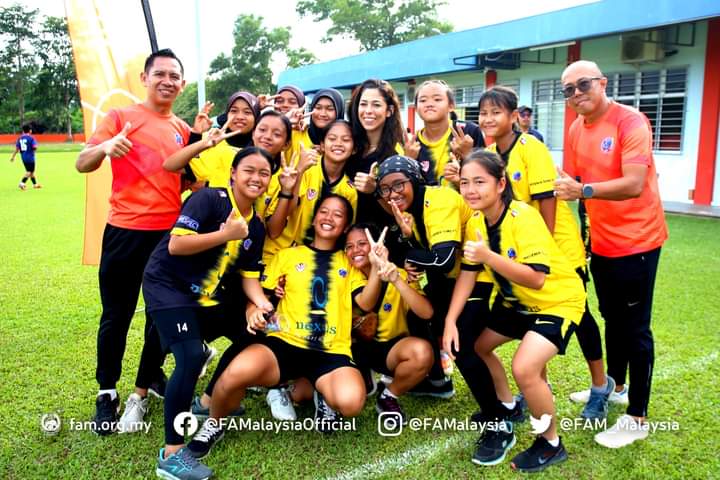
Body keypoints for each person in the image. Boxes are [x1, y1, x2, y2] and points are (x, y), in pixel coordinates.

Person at [185, 195, 384, 460]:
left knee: (350, 402)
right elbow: (260, 297)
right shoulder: (288, 255)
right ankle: (214, 423)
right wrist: (253, 310)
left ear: (345, 225)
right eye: (324, 211)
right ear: (314, 219)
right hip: (285, 344)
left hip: (330, 352)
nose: (328, 217)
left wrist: (379, 271)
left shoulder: (348, 262)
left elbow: (366, 302)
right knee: (233, 375)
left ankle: (319, 393)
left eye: (337, 215)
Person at [479, 85, 613, 420]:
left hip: (557, 248)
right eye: (483, 112)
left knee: (579, 317)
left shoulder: (531, 146)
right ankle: (541, 388)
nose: (488, 118)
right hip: (526, 249)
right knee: (534, 316)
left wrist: (543, 253)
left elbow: (547, 203)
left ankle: (600, 388)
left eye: (496, 112)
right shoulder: (491, 151)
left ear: (513, 116)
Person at [75, 48, 191, 436]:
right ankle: (107, 392)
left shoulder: (183, 128)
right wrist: (106, 148)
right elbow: (82, 162)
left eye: (174, 76)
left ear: (182, 84)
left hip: (167, 237)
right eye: (160, 74)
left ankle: (150, 377)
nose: (167, 81)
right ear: (145, 78)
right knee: (116, 315)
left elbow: (188, 177)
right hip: (125, 232)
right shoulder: (120, 117)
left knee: (161, 316)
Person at [554, 59, 668, 448]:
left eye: (582, 85)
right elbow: (574, 181)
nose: (576, 94)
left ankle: (637, 417)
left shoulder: (629, 121)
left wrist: (583, 192)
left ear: (601, 83)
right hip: (601, 242)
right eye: (567, 90)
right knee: (611, 318)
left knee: (635, 327)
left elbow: (634, 183)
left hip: (638, 241)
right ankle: (616, 386)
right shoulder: (574, 128)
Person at [145, 147, 273, 480]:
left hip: (205, 297)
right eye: (249, 170)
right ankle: (171, 455)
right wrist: (226, 234)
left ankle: (207, 400)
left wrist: (260, 305)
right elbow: (176, 245)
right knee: (188, 357)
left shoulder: (255, 227)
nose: (256, 178)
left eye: (264, 173)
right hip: (167, 287)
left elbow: (249, 277)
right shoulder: (209, 200)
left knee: (255, 333)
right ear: (233, 172)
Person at [454, 149, 585, 472]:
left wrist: (489, 256)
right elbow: (468, 275)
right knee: (479, 346)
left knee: (525, 368)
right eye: (464, 182)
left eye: (479, 182)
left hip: (557, 301)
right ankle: (509, 406)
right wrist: (449, 321)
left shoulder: (523, 215)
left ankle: (550, 443)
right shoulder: (476, 221)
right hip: (519, 304)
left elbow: (537, 278)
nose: (471, 190)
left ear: (501, 184)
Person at [376, 155, 473, 398]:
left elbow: (442, 260)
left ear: (416, 180)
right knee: (420, 317)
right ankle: (437, 382)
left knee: (463, 339)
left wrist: (411, 256)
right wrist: (409, 237)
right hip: (455, 277)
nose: (392, 193)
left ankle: (497, 406)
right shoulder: (413, 208)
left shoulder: (438, 200)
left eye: (399, 184)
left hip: (477, 278)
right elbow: (431, 254)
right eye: (385, 188)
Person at [345, 223, 434, 423]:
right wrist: (376, 267)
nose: (355, 250)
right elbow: (365, 303)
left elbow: (426, 312)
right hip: (352, 351)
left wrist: (397, 280)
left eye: (362, 243)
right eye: (349, 246)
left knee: (422, 352)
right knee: (353, 396)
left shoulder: (399, 273)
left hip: (388, 349)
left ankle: (388, 395)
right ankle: (362, 373)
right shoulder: (346, 274)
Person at [163, 91, 260, 187]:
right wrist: (196, 135)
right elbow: (174, 166)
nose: (239, 117)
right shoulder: (212, 143)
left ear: (256, 117)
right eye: (234, 111)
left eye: (247, 112)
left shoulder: (262, 150)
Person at [345, 79, 405, 224]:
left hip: (380, 238)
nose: (368, 111)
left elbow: (402, 213)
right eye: (363, 104)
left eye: (376, 105)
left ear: (389, 111)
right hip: (346, 237)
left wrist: (375, 190)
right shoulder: (348, 145)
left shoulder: (396, 154)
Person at [406, 79, 484, 188]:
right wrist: (408, 160)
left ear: (451, 105)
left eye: (437, 99)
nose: (429, 104)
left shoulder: (469, 132)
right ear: (416, 108)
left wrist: (468, 155)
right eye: (423, 100)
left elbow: (487, 177)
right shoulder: (412, 145)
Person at [11, 124, 41, 189]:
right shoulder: (31, 138)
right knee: (29, 172)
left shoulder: (20, 138)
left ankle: (35, 184)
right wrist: (33, 151)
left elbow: (17, 149)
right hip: (30, 157)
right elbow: (35, 147)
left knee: (31, 171)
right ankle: (22, 183)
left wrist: (13, 157)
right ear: (30, 131)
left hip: (23, 157)